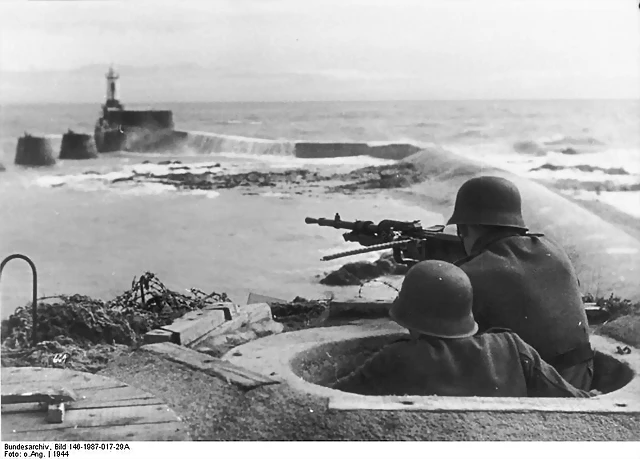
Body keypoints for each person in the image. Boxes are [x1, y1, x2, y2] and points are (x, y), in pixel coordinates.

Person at [332, 260, 592, 398]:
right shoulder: (511, 347)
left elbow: (333, 395)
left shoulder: (397, 358)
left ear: (410, 319)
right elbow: (572, 396)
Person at [446, 176, 593, 391]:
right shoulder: (553, 250)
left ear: (466, 227)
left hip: (538, 390)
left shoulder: (472, 272)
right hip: (581, 378)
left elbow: (443, 335)